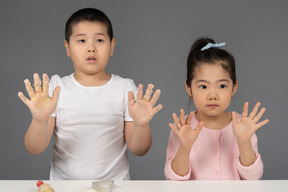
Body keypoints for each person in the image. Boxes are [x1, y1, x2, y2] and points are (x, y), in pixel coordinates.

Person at [18, 8, 162, 180]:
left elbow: (140, 150)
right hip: (65, 188)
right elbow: (34, 148)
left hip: (114, 188)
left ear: (112, 46)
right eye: (81, 40)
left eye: (100, 40)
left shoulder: (125, 88)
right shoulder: (56, 88)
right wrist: (40, 120)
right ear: (67, 47)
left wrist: (141, 125)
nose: (91, 48)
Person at [164, 37, 269, 180]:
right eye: (203, 86)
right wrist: (184, 148)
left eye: (222, 86)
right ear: (189, 88)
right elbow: (173, 179)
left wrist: (244, 142)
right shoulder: (183, 128)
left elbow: (253, 177)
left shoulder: (243, 125)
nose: (213, 95)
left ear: (234, 88)